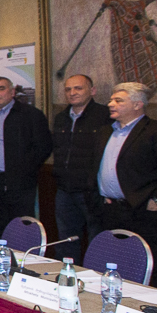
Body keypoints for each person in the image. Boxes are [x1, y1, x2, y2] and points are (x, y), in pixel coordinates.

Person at [93, 82, 157, 295]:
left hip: (145, 213)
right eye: (111, 100)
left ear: (137, 104)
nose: (110, 104)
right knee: (120, 265)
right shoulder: (105, 131)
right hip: (112, 211)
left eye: (118, 100)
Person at [0, 76, 53, 237]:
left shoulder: (30, 114)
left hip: (18, 184)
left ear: (12, 92)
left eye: (1, 89)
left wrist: (23, 170)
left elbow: (44, 147)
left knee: (20, 229)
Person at [51, 74, 112, 262]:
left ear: (92, 91)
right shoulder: (61, 117)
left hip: (92, 191)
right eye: (68, 89)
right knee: (66, 240)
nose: (72, 93)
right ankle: (68, 276)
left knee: (97, 240)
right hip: (64, 190)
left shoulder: (105, 116)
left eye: (78, 88)